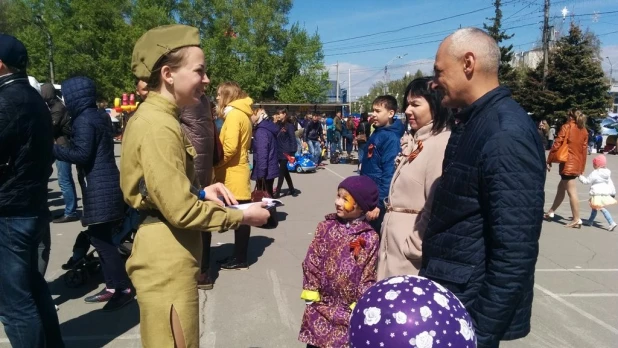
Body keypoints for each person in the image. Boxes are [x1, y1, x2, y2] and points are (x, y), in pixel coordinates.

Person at [122, 25, 270, 348]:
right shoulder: (159, 127)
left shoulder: (160, 119)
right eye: (199, 71)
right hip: (167, 263)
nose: (206, 80)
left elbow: (160, 188)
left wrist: (203, 191)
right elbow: (180, 210)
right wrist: (242, 217)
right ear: (168, 74)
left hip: (170, 256)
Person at [420, 28, 545, 347]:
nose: (434, 82)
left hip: (469, 313)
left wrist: (480, 335)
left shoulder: (505, 133)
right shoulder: (473, 121)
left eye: (439, 71)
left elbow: (514, 253)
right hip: (453, 298)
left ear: (468, 63)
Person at [0, 33, 64, 348]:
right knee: (33, 289)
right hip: (30, 203)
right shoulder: (32, 97)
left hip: (11, 210)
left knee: (14, 303)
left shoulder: (7, 100)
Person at [53, 76, 134, 310]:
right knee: (102, 238)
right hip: (106, 182)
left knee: (102, 241)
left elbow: (81, 155)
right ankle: (111, 286)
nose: (66, 101)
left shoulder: (84, 120)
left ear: (76, 96)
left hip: (100, 185)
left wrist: (54, 149)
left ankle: (123, 288)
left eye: (67, 96)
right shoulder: (98, 115)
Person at [377, 77, 452, 280]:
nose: (408, 110)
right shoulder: (417, 140)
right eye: (407, 104)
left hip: (409, 252)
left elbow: (434, 202)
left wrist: (414, 246)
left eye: (415, 104)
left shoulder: (440, 143)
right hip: (392, 242)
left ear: (436, 105)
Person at [298, 176, 379, 348]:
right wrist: (311, 291)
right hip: (320, 304)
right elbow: (312, 259)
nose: (337, 202)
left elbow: (367, 274)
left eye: (345, 199)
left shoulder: (370, 237)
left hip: (346, 310)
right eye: (338, 196)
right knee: (315, 343)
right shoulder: (325, 227)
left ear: (362, 206)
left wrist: (360, 304)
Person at [214, 81, 255, 271]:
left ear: (227, 96)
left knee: (240, 218)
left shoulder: (233, 115)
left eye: (219, 94)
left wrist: (215, 164)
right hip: (239, 170)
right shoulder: (243, 114)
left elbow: (229, 148)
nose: (216, 98)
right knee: (241, 216)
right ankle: (239, 256)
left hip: (233, 173)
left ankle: (240, 258)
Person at [360, 95, 405, 233]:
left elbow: (389, 172)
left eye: (378, 111)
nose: (374, 114)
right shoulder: (379, 132)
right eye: (373, 110)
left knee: (374, 236)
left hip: (377, 198)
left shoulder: (391, 138)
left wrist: (379, 203)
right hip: (368, 193)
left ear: (391, 113)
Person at [40, 83, 80, 223]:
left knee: (64, 180)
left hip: (62, 147)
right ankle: (68, 210)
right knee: (44, 175)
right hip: (57, 146)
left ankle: (71, 212)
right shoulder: (54, 106)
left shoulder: (57, 108)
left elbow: (50, 128)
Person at [545, 109, 589, 228]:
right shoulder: (584, 130)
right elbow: (584, 151)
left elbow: (557, 143)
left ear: (570, 117)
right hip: (576, 163)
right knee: (561, 189)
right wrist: (581, 167)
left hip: (567, 164)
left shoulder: (567, 127)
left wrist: (549, 160)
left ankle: (576, 219)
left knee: (572, 192)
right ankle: (551, 211)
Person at [579, 154, 617, 230]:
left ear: (597, 165)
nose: (593, 166)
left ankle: (611, 222)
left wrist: (579, 176)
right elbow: (610, 183)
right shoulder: (607, 173)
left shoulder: (595, 173)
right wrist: (613, 192)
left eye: (594, 164)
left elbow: (587, 181)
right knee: (594, 208)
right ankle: (590, 221)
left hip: (597, 193)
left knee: (600, 208)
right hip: (604, 193)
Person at [251, 108, 280, 197]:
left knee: (263, 197)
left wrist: (261, 174)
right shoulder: (269, 128)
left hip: (264, 170)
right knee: (269, 194)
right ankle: (272, 210)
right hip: (271, 168)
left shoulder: (261, 131)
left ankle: (269, 211)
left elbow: (262, 153)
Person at [274, 108, 298, 198]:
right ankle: (292, 189)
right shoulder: (277, 124)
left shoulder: (289, 126)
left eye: (280, 113)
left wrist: (293, 153)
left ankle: (277, 192)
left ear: (284, 114)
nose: (278, 115)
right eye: (278, 113)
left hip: (286, 152)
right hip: (278, 150)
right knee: (285, 171)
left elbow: (293, 139)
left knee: (281, 172)